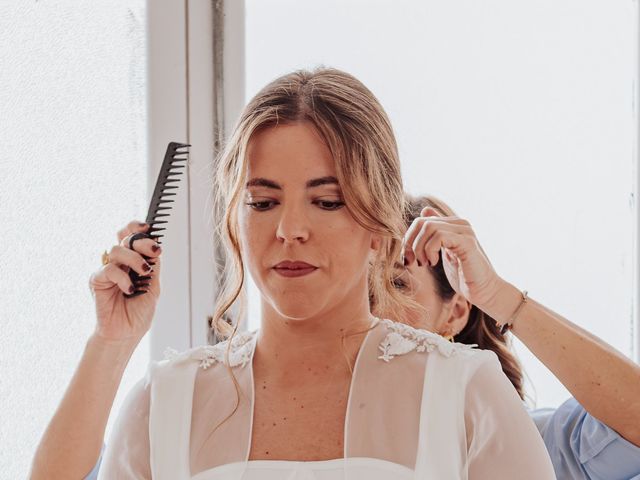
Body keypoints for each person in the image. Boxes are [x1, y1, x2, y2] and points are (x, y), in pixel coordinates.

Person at [30, 67, 556, 479]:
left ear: (380, 225)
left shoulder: (465, 393)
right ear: (233, 223)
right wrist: (111, 342)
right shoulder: (165, 402)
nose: (290, 229)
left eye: (326, 202)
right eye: (262, 202)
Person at [387, 193, 640, 480]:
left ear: (456, 313)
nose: (371, 308)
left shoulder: (520, 448)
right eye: (362, 286)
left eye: (397, 283)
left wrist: (498, 297)